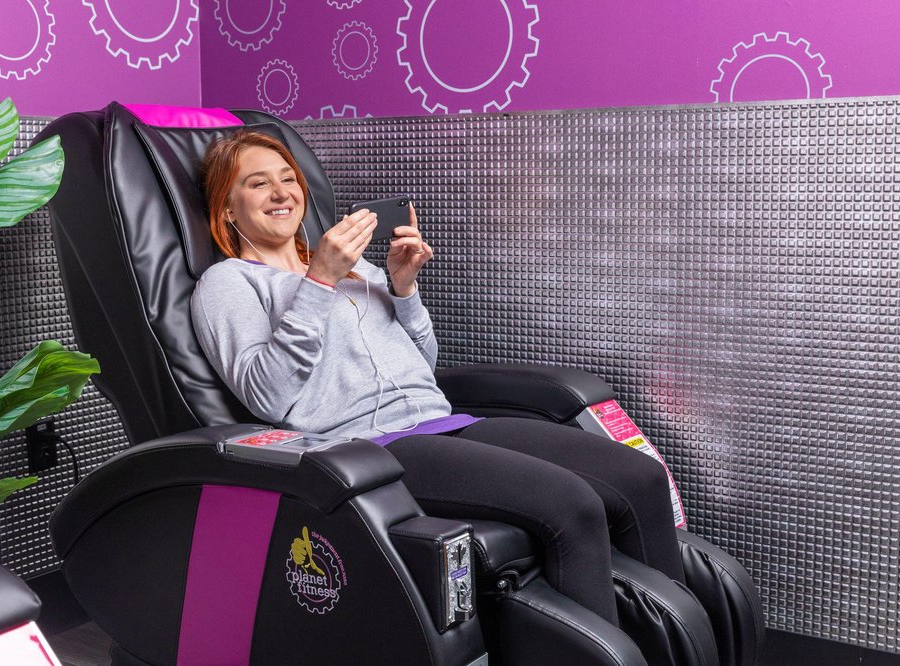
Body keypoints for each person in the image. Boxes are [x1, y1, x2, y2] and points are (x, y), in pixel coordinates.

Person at [190, 129, 684, 627]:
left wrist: (404, 289)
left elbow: (422, 366)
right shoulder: (228, 283)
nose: (281, 193)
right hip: (372, 447)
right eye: (259, 183)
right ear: (227, 208)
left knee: (639, 477)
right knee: (572, 506)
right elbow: (268, 395)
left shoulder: (358, 269)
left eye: (288, 179)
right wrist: (319, 280)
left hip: (444, 422)